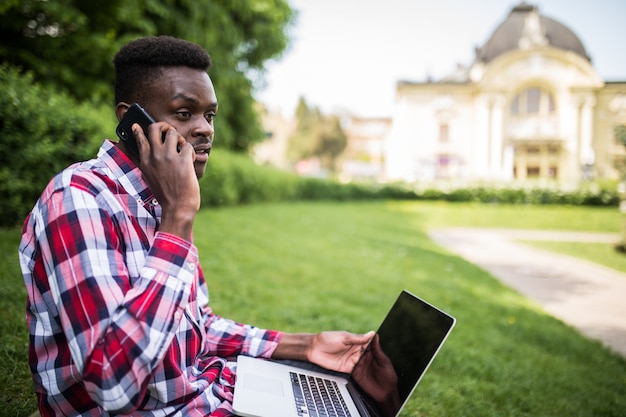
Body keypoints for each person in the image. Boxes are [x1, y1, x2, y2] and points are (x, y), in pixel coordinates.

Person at [18, 35, 374, 417]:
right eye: (184, 113)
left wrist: (304, 345)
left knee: (348, 396)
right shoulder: (79, 199)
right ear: (132, 121)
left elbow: (190, 326)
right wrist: (179, 219)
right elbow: (110, 382)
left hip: (199, 393)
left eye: (210, 115)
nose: (205, 129)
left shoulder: (159, 200)